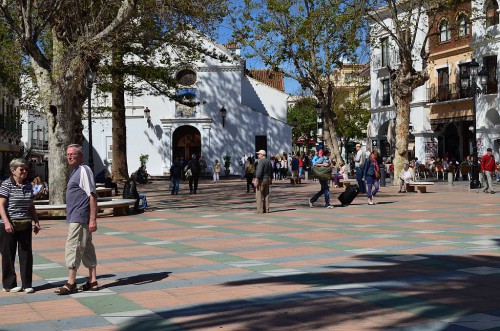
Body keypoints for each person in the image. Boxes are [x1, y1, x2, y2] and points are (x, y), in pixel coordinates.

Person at [55, 144, 99, 294]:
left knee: (73, 247)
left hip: (79, 218)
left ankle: (71, 282)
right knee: (87, 248)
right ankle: (93, 281)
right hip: (78, 217)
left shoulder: (84, 170)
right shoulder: (77, 171)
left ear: (81, 156)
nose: (69, 156)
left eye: (73, 154)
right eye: (68, 154)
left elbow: (92, 195)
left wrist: (93, 219)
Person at [0, 159, 41, 293]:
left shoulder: (29, 185)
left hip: (25, 223)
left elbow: (30, 205)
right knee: (8, 254)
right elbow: (1, 205)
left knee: (26, 254)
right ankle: (9, 284)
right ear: (13, 171)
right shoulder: (6, 185)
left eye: (26, 169)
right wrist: (6, 222)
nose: (24, 171)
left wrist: (36, 221)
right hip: (9, 225)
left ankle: (27, 284)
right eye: (21, 169)